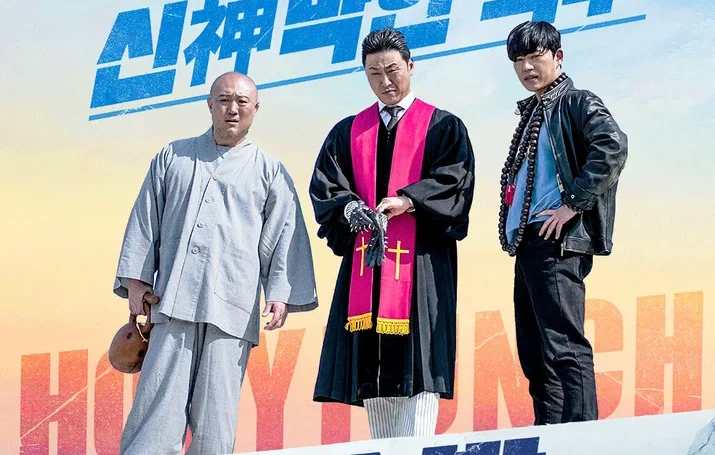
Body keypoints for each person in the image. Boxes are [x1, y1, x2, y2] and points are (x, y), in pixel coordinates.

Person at [113, 72, 318, 454]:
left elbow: (285, 233)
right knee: (157, 412)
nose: (232, 109)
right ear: (210, 104)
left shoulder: (269, 171)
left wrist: (279, 292)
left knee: (216, 421)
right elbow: (145, 217)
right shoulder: (173, 157)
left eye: (242, 101)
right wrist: (137, 280)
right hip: (171, 302)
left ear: (256, 108)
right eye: (224, 100)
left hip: (232, 309)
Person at [309, 27, 475, 439]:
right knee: (373, 363)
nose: (385, 81)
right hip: (367, 265)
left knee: (420, 360)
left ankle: (417, 447)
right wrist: (350, 208)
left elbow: (456, 181)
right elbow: (327, 186)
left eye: (392, 70)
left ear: (411, 66)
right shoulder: (349, 131)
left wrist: (409, 200)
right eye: (374, 73)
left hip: (421, 264)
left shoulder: (443, 126)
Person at [497, 21, 627, 424]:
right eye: (519, 60)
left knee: (564, 344)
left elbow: (612, 146)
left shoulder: (575, 102)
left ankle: (582, 436)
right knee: (535, 352)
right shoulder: (535, 112)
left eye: (535, 57)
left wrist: (573, 204)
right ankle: (550, 434)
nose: (526, 67)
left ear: (558, 57)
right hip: (530, 241)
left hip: (556, 239)